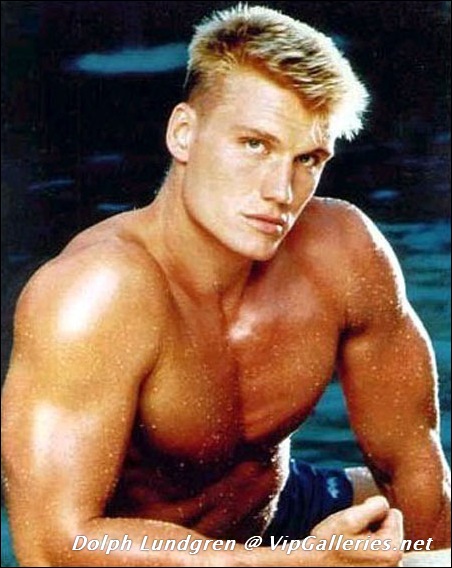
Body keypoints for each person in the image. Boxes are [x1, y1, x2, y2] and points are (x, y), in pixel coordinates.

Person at [2, 4, 450, 567]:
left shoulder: (342, 252)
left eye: (307, 158)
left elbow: (410, 463)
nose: (280, 190)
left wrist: (426, 559)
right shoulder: (96, 294)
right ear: (184, 133)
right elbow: (53, 546)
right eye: (254, 145)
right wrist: (291, 564)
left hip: (274, 517)